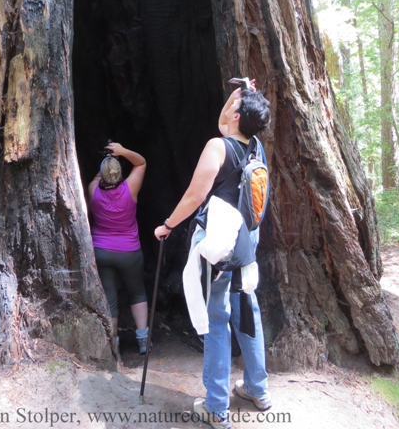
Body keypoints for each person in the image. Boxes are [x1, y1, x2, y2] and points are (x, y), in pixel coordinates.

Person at [155, 83, 271, 429]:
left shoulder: (218, 147)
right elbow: (228, 122)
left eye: (234, 106)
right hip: (246, 245)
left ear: (236, 115)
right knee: (248, 311)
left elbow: (194, 196)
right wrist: (243, 98)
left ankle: (217, 407)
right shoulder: (256, 148)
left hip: (219, 249)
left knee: (216, 318)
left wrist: (167, 225)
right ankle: (257, 389)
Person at [89, 142, 150, 355]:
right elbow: (141, 162)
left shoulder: (93, 191)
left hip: (101, 251)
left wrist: (106, 161)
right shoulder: (130, 189)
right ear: (120, 172)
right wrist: (122, 152)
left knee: (109, 297)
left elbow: (99, 178)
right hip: (129, 251)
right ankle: (143, 340)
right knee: (137, 293)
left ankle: (113, 344)